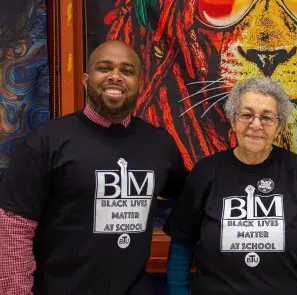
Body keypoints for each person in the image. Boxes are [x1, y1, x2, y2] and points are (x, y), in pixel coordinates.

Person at [0, 40, 188, 295]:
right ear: (86, 80)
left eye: (127, 71)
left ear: (140, 85)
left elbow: (192, 197)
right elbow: (13, 227)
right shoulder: (47, 142)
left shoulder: (159, 144)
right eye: (104, 68)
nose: (116, 76)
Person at [163, 77, 297, 295]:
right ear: (232, 120)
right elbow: (181, 247)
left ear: (279, 125)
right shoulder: (205, 172)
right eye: (246, 115)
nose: (256, 125)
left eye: (267, 117)